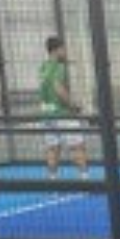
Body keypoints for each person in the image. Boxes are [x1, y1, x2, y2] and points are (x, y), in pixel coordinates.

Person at [37, 36, 89, 179]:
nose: (65, 51)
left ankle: (52, 178)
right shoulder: (59, 67)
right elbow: (58, 88)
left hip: (46, 114)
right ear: (57, 50)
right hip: (62, 113)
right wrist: (73, 105)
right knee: (78, 146)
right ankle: (84, 178)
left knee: (52, 148)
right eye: (63, 48)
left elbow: (43, 90)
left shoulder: (43, 67)